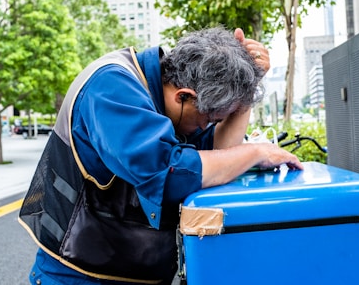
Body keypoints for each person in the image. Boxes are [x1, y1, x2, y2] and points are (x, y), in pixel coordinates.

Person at [19, 26, 303, 285]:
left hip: (133, 268)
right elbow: (171, 173)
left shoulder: (173, 99)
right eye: (208, 119)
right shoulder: (111, 87)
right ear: (183, 96)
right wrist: (255, 151)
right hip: (79, 275)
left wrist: (247, 84)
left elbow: (217, 157)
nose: (206, 127)